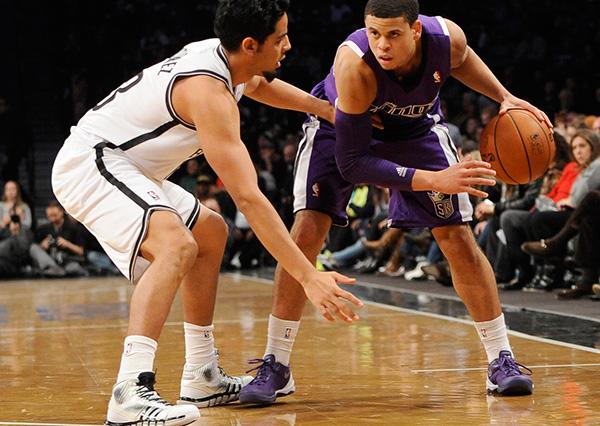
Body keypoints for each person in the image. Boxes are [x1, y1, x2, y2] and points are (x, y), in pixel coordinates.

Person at [51, 1, 363, 424]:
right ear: (250, 45)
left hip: (130, 166)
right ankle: (129, 390)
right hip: (93, 163)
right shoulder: (209, 93)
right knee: (176, 245)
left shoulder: (226, 59)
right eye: (280, 38)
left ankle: (202, 373)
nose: (288, 45)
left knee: (210, 231)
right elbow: (248, 198)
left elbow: (258, 84)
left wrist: (324, 109)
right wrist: (308, 277)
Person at [240, 0, 553, 404]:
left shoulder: (447, 38)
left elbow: (462, 60)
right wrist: (433, 179)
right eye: (374, 33)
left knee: (457, 237)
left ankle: (501, 358)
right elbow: (353, 164)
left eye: (393, 34)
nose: (382, 45)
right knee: (307, 231)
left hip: (414, 131)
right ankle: (276, 363)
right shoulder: (355, 66)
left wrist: (504, 97)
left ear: (415, 30)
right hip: (341, 131)